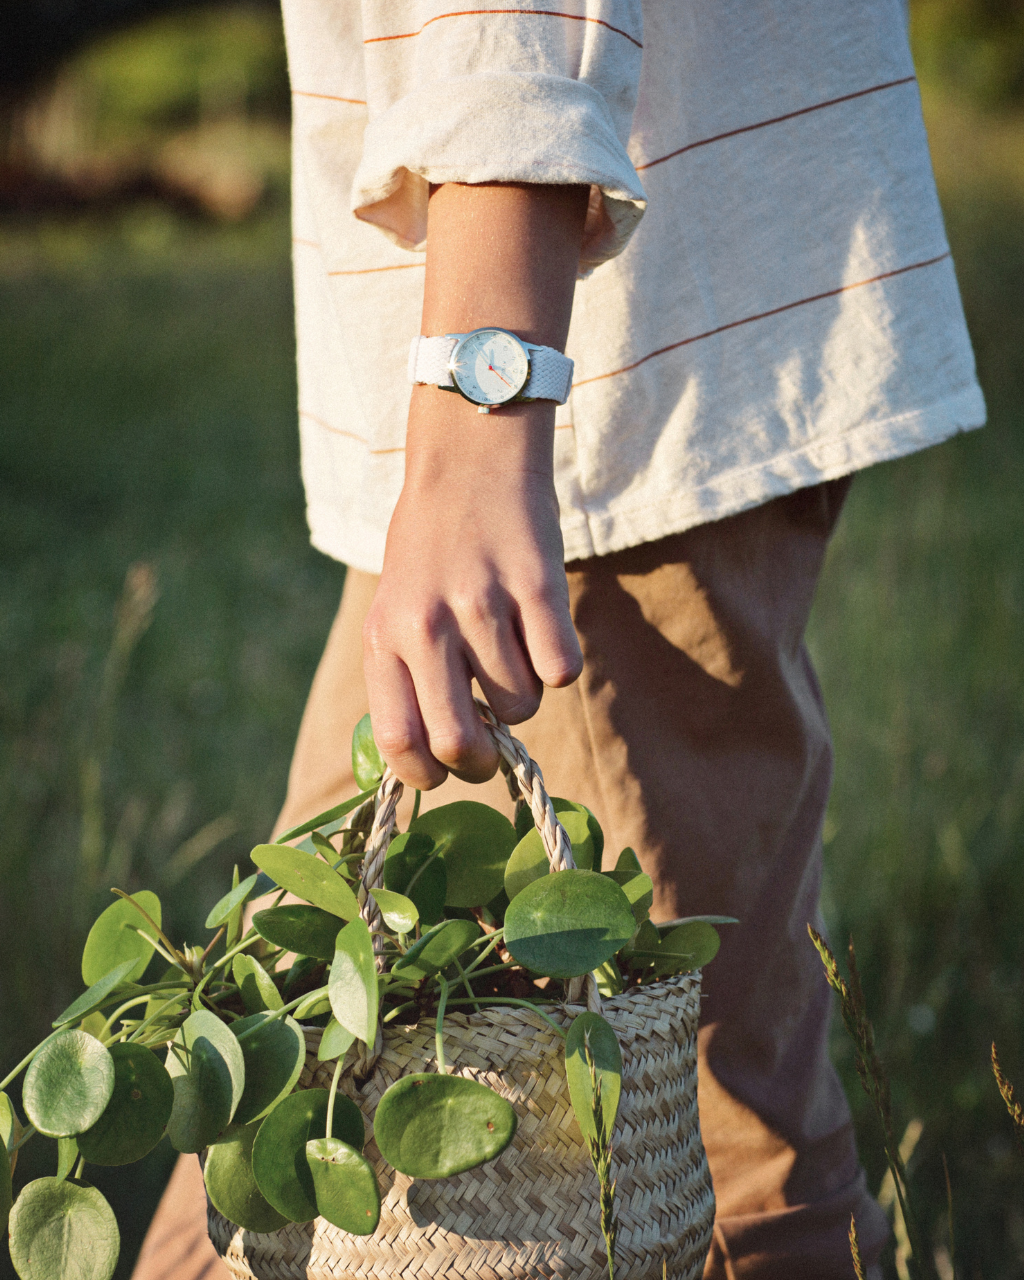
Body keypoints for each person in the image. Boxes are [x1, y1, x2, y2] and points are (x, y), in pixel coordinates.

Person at [132, 2, 985, 1277]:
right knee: (283, 1062)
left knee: (704, 1155)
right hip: (556, 370)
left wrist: (487, 401)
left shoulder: (519, 411)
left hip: (586, 383)